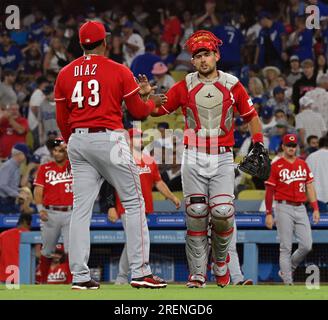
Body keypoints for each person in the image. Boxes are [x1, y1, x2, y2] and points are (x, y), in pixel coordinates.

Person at [55, 21, 167, 290]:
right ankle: (140, 272)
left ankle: (80, 276)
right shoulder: (118, 69)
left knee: (80, 210)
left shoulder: (65, 73)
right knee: (134, 201)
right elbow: (139, 112)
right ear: (104, 42)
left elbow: (62, 119)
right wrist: (151, 101)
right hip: (109, 137)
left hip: (78, 139)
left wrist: (75, 144)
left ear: (82, 44)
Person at [150, 30, 267, 288]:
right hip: (193, 156)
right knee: (196, 213)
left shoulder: (232, 83)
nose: (203, 60)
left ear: (216, 55)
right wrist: (145, 97)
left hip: (223, 157)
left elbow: (251, 116)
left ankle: (222, 262)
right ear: (192, 61)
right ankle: (197, 274)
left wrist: (258, 143)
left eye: (207, 54)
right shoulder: (184, 85)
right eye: (198, 56)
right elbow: (159, 110)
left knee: (223, 213)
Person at [110, 128, 181, 284]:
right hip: (126, 207)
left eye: (140, 138)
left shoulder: (148, 160)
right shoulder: (120, 159)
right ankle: (123, 277)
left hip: (145, 207)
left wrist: (172, 197)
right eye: (135, 137)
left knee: (133, 241)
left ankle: (123, 277)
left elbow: (158, 182)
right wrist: (111, 207)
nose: (139, 140)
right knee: (134, 241)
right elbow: (109, 184)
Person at [265, 134, 320, 285]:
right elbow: (269, 191)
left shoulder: (302, 164)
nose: (291, 148)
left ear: (297, 147)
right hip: (283, 207)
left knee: (307, 245)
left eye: (294, 145)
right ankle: (288, 281)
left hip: (301, 207)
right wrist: (269, 213)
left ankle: (289, 268)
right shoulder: (276, 165)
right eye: (288, 145)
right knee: (285, 247)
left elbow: (309, 186)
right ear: (283, 146)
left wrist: (315, 208)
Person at [33, 137, 72, 284]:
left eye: (60, 150)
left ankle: (71, 282)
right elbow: (38, 191)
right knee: (47, 250)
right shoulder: (45, 168)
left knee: (70, 249)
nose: (57, 153)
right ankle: (42, 282)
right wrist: (40, 209)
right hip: (50, 213)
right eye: (54, 150)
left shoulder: (75, 166)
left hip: (71, 212)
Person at [0, 213, 32, 283]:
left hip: (4, 276)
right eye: (30, 223)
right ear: (25, 221)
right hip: (24, 277)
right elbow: (37, 255)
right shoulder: (31, 236)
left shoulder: (3, 235)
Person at [0, 144, 29, 213]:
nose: (26, 157)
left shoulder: (16, 166)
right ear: (19, 154)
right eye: (25, 155)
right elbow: (2, 185)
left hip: (8, 200)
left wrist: (20, 190)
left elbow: (11, 185)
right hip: (3, 201)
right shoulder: (8, 165)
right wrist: (18, 194)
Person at [306, 135, 328, 212]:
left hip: (315, 197)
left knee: (315, 223)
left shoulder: (311, 157)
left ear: (319, 145)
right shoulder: (311, 157)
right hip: (317, 197)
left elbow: (305, 178)